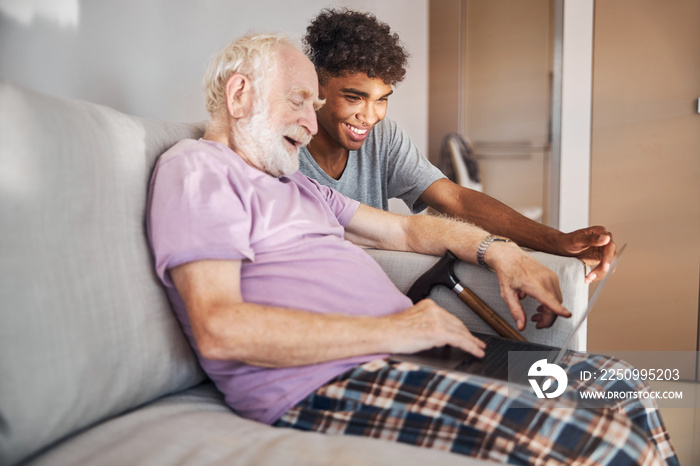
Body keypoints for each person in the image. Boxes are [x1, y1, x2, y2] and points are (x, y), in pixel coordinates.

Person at [147, 33, 677, 465]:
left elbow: (408, 231)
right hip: (336, 376)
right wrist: (398, 328)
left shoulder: (295, 184)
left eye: (313, 106)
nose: (311, 125)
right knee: (602, 446)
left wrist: (504, 252)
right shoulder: (200, 170)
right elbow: (219, 328)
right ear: (239, 95)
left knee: (611, 383)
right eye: (298, 102)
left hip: (414, 351)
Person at [300, 8, 616, 285]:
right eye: (354, 97)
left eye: (382, 100)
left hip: (370, 290)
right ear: (315, 85)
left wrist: (556, 241)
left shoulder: (384, 138)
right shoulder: (283, 152)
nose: (370, 116)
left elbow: (456, 199)